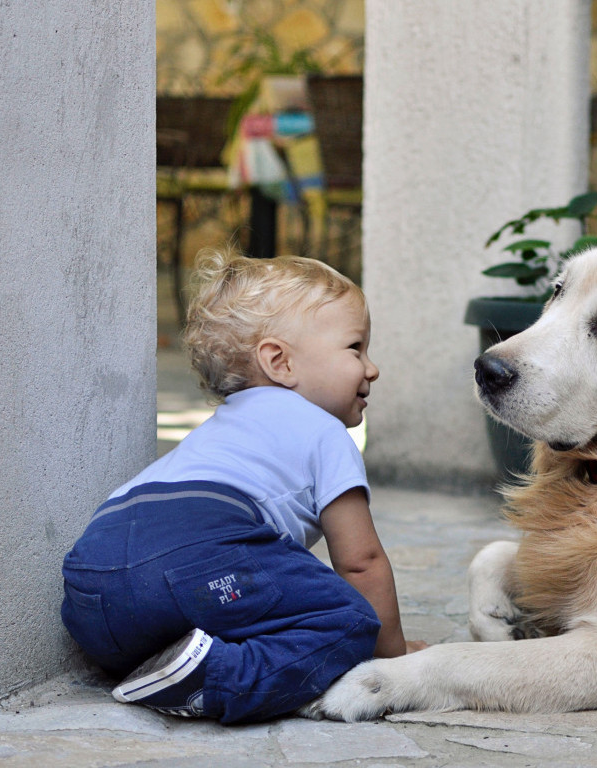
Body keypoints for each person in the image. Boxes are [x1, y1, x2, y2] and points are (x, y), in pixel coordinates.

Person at [61, 251, 422, 724]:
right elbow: (361, 561)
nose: (371, 369)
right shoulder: (324, 430)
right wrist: (392, 655)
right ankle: (215, 678)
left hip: (91, 582)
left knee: (248, 596)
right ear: (279, 362)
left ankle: (170, 662)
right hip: (196, 549)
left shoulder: (220, 429)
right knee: (350, 621)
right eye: (356, 348)